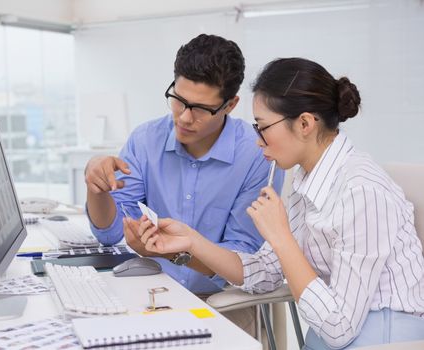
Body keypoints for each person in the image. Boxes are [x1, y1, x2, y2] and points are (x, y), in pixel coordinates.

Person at [138, 57, 424, 349]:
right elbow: (264, 270)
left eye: (262, 127)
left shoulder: (362, 190)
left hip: (385, 337)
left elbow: (340, 327)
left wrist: (280, 235)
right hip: (336, 336)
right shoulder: (307, 179)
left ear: (304, 124)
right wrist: (192, 242)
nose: (257, 140)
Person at [84, 33, 283, 295]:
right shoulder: (145, 140)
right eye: (179, 100)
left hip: (222, 301)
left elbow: (243, 261)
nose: (185, 117)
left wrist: (173, 254)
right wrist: (96, 188)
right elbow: (109, 235)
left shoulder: (257, 155)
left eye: (201, 108)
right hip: (150, 294)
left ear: (230, 105)